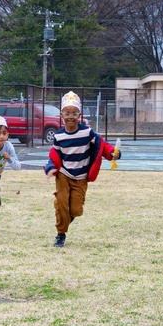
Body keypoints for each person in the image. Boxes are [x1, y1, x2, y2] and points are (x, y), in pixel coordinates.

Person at [45, 92, 120, 248]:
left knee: (76, 210)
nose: (70, 116)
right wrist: (51, 168)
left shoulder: (87, 132)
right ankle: (60, 234)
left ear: (79, 114)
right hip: (64, 174)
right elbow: (54, 155)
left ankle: (65, 220)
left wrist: (112, 153)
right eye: (67, 113)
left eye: (74, 113)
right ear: (62, 115)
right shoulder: (58, 137)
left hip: (81, 176)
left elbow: (102, 145)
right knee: (61, 202)